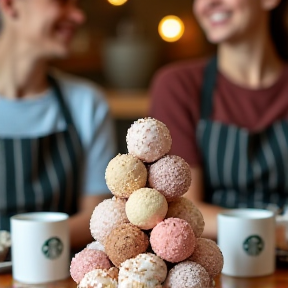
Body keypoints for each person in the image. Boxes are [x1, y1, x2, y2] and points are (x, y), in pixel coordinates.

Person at [150, 0, 288, 240]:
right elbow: (183, 210)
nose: (208, 4)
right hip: (212, 268)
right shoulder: (178, 86)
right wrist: (278, 232)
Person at [0, 0, 116, 250]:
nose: (78, 16)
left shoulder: (87, 104)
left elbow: (96, 218)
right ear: (10, 5)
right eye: (62, 2)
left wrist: (15, 245)